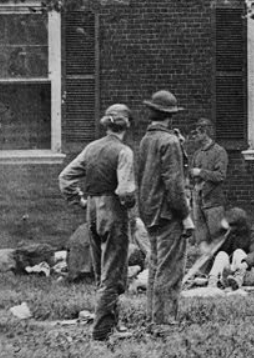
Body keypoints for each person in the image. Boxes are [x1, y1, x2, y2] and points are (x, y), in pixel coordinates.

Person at [58, 104, 136, 340]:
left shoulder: (91, 148)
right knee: (113, 271)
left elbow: (65, 178)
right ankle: (102, 330)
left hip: (92, 210)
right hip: (113, 209)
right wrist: (129, 204)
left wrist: (80, 201)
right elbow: (124, 190)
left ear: (107, 124)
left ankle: (113, 323)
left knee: (102, 270)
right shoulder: (124, 152)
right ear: (127, 125)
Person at [135, 90, 190, 330]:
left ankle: (153, 317)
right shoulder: (169, 142)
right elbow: (174, 185)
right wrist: (186, 216)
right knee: (170, 269)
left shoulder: (147, 140)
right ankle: (165, 322)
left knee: (156, 267)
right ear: (171, 116)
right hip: (169, 214)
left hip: (150, 213)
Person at [189, 117, 229, 253]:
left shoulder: (219, 152)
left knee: (217, 240)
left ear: (204, 132)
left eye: (196, 133)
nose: (194, 137)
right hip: (198, 202)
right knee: (201, 241)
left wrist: (201, 172)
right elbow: (191, 175)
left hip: (214, 203)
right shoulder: (197, 154)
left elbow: (220, 176)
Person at [205, 207, 254, 289]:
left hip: (246, 273)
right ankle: (212, 281)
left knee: (239, 252)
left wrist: (245, 264)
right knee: (222, 254)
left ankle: (238, 279)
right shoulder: (227, 233)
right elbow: (217, 253)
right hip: (229, 274)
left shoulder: (252, 234)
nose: (231, 227)